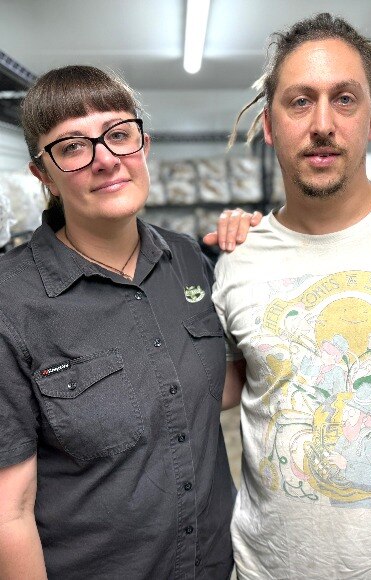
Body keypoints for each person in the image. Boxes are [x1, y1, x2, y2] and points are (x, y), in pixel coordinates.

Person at [0, 65, 257, 579]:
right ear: (43, 175)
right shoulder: (13, 301)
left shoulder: (187, 258)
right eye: (73, 147)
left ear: (144, 144)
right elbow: (10, 511)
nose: (106, 160)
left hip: (213, 565)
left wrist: (269, 257)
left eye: (119, 134)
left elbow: (212, 387)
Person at [214, 13, 371, 579]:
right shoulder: (238, 260)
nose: (322, 125)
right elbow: (209, 392)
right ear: (269, 125)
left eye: (344, 99)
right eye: (299, 102)